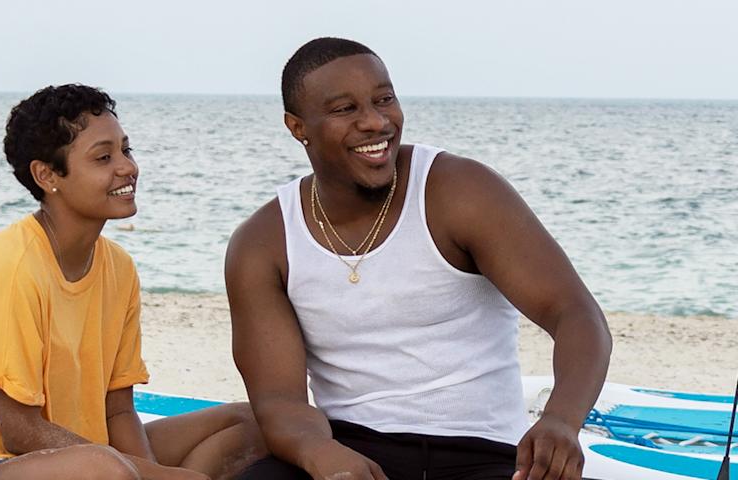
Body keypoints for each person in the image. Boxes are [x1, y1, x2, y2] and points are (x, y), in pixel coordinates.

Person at [225, 38, 612, 480]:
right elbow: (279, 400)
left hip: (483, 453)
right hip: (349, 446)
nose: (375, 122)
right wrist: (319, 453)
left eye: (384, 99)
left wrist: (561, 420)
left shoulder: (459, 191)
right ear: (298, 127)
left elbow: (576, 314)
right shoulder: (263, 243)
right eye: (345, 109)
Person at [0, 84, 265, 480]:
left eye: (126, 150)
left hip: (85, 452)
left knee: (253, 423)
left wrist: (150, 473)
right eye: (104, 157)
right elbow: (18, 431)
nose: (127, 167)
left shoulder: (118, 267)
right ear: (47, 175)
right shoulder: (10, 269)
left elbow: (118, 410)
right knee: (106, 469)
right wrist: (151, 475)